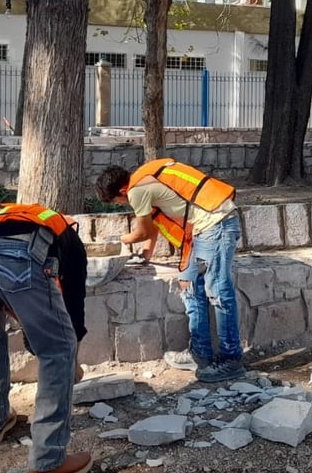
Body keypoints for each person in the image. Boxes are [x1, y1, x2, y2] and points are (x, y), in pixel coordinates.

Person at [0, 202, 92, 473]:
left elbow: (21, 305)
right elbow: (72, 306)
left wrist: (36, 330)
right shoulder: (69, 237)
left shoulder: (12, 215)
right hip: (13, 257)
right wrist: (70, 358)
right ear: (72, 224)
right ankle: (48, 462)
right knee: (58, 349)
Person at [95, 159, 246, 383]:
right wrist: (146, 255)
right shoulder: (145, 178)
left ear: (123, 190)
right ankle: (200, 354)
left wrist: (120, 241)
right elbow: (153, 226)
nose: (123, 205)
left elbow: (143, 231)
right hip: (206, 227)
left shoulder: (137, 190)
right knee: (189, 285)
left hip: (216, 222)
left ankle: (231, 360)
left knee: (218, 292)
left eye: (119, 201)